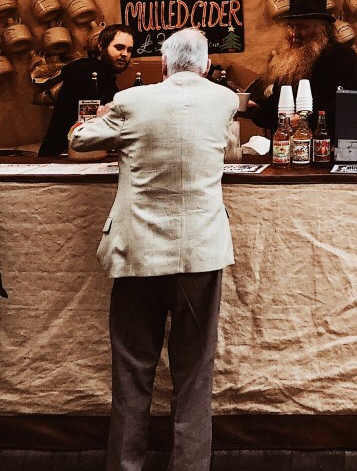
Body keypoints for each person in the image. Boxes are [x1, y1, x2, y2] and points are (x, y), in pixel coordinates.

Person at [69, 28, 239, 471]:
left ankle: (125, 465)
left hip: (139, 251)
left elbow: (78, 140)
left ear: (163, 64)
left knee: (132, 369)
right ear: (203, 65)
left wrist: (103, 116)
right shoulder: (224, 100)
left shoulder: (131, 102)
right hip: (200, 252)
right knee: (195, 373)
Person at [247, 0, 357, 138]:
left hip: (327, 151)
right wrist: (257, 109)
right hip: (288, 152)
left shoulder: (345, 60)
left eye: (302, 26)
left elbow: (352, 111)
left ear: (323, 28)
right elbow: (278, 109)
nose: (293, 34)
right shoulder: (290, 63)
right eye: (291, 26)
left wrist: (305, 120)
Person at [38, 23, 134, 156]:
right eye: (119, 48)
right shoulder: (86, 72)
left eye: (129, 50)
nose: (125, 54)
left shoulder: (106, 77)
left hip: (82, 153)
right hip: (65, 157)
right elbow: (86, 121)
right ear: (101, 46)